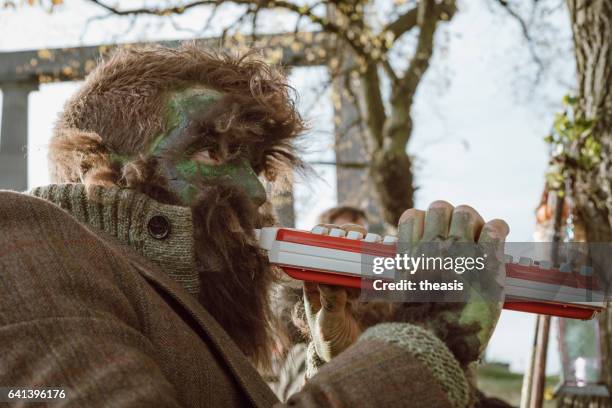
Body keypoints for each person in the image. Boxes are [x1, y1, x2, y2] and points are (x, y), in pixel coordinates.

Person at [0, 44, 509, 407]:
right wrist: (425, 339)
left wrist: (342, 363)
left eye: (259, 166)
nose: (257, 192)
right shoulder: (20, 240)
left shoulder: (180, 305)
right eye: (213, 149)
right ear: (99, 166)